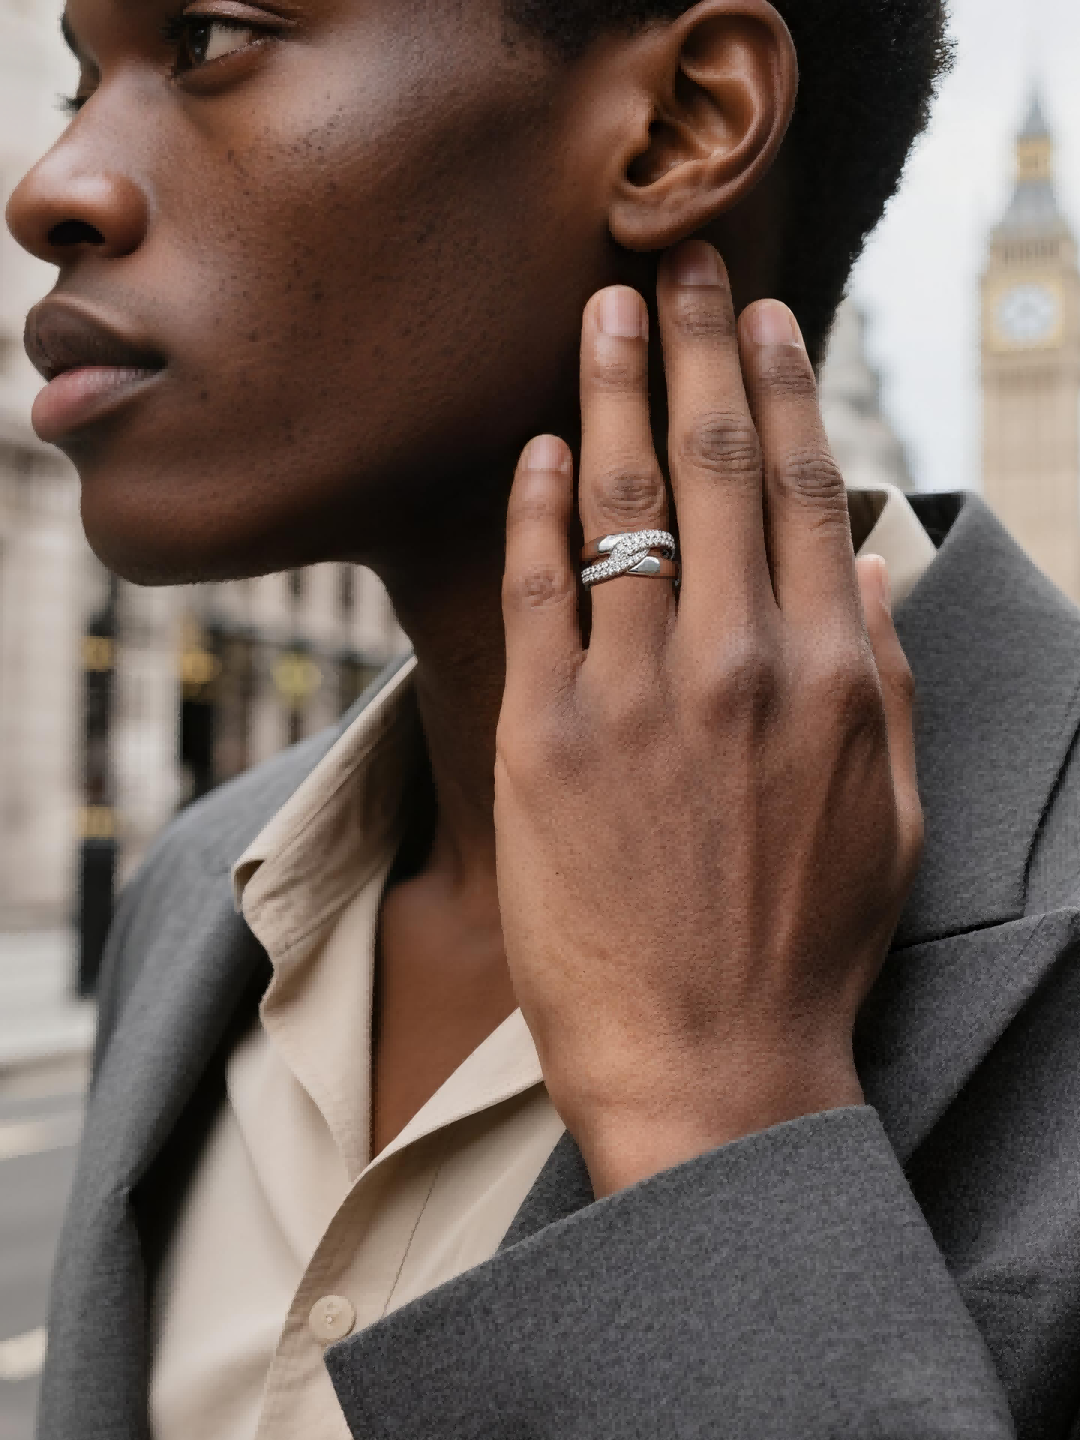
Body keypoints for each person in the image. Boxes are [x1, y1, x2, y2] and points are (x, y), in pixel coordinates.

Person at [6, 0, 1080, 1436]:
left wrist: (717, 1124)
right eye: (79, 76)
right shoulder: (203, 887)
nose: (51, 185)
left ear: (682, 124)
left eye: (210, 42)